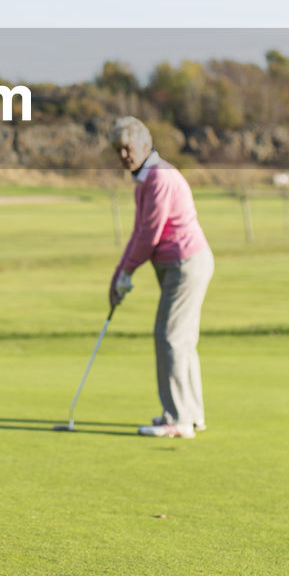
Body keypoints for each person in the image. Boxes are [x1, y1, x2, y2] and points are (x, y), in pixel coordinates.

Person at [108, 117, 214, 439]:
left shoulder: (159, 178)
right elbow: (139, 233)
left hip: (185, 263)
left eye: (127, 149)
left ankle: (179, 420)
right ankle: (191, 415)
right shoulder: (146, 179)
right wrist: (118, 275)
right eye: (118, 151)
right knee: (181, 340)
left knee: (169, 337)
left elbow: (149, 235)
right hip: (178, 264)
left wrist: (128, 271)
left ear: (143, 145)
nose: (123, 156)